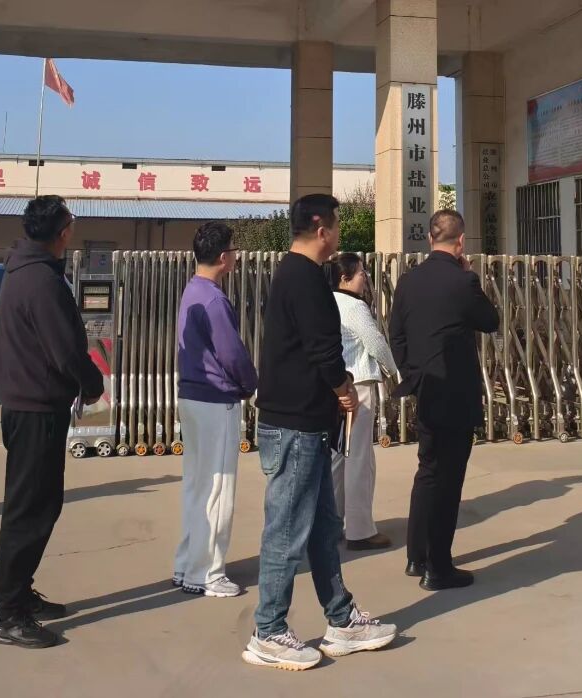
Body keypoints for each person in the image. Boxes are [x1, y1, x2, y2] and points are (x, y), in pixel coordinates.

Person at [244, 193, 397, 672]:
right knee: (287, 530)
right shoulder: (304, 276)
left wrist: (338, 387)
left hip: (308, 423)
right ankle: (269, 630)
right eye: (336, 225)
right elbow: (321, 349)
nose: (338, 234)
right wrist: (343, 387)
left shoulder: (297, 274)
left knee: (323, 527)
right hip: (294, 424)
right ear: (320, 227)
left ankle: (341, 619)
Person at [0, 195, 104, 648]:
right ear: (63, 231)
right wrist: (91, 383)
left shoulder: (26, 270)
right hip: (35, 408)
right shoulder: (41, 280)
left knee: (39, 505)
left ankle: (20, 595)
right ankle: (8, 613)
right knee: (29, 511)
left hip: (30, 404)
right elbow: (65, 350)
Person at [389, 210, 499, 591]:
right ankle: (438, 567)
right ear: (461, 242)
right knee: (449, 481)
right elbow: (490, 320)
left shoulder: (408, 281)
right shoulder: (462, 281)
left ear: (430, 239)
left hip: (426, 390)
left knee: (428, 471)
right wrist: (471, 277)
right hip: (456, 394)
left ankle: (416, 556)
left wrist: (413, 374)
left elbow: (396, 335)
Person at [173, 221, 257, 598]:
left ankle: (187, 564)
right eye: (234, 250)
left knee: (197, 485)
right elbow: (232, 353)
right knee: (218, 489)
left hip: (192, 396)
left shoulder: (193, 290)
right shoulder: (214, 300)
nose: (236, 256)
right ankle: (207, 573)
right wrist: (251, 384)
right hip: (215, 400)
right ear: (224, 257)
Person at [327, 252, 397, 550]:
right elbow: (375, 342)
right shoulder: (354, 306)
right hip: (359, 385)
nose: (364, 278)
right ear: (344, 279)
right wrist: (395, 371)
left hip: (337, 386)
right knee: (359, 460)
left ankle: (331, 523)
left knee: (338, 457)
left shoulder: (328, 301)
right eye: (360, 274)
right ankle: (360, 530)